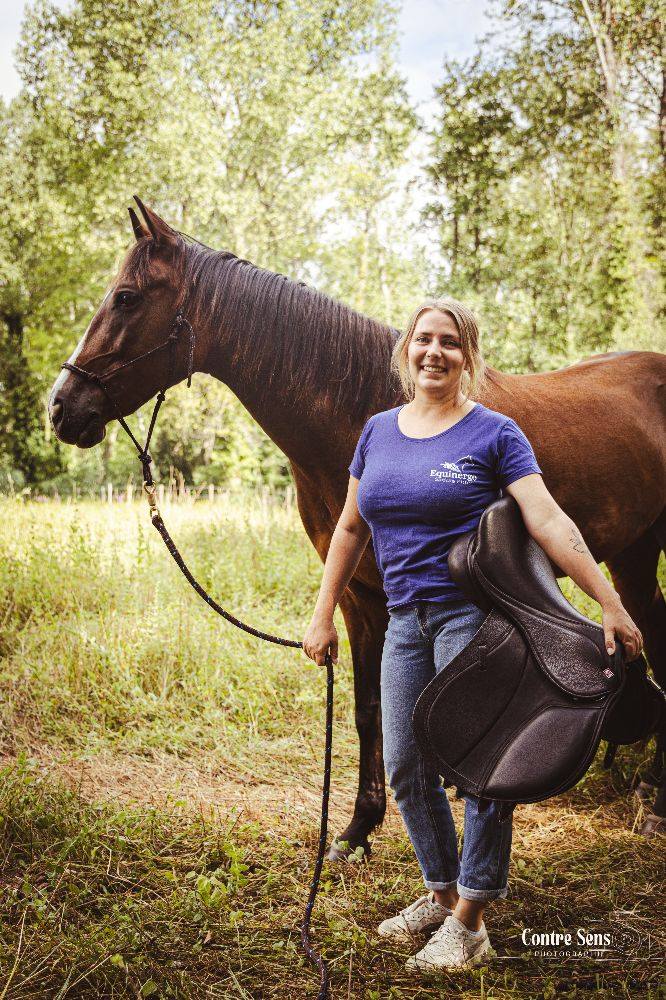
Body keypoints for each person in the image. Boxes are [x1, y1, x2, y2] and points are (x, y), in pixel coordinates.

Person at [302, 298, 643, 973]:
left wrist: (609, 600)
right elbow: (349, 528)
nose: (434, 353)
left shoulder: (494, 433)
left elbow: (549, 522)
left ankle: (471, 920)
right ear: (407, 351)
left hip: (475, 622)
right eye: (423, 340)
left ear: (467, 356)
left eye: (449, 343)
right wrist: (321, 611)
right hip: (404, 621)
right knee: (404, 765)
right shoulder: (377, 432)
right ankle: (440, 891)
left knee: (481, 769)